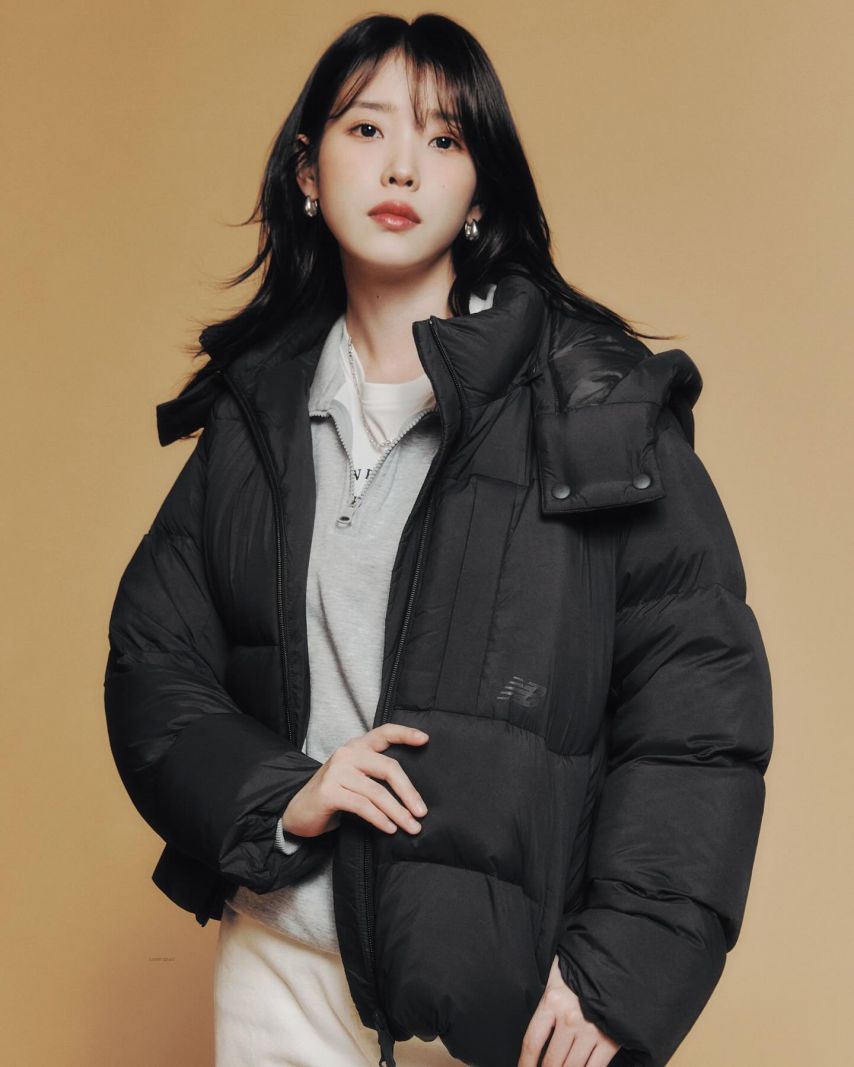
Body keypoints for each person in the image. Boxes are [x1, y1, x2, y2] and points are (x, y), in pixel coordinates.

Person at [103, 13, 774, 1067]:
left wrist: (621, 974)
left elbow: (697, 713)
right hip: (280, 968)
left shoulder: (590, 404)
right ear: (308, 173)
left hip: (494, 1001)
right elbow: (153, 666)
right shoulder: (256, 416)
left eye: (445, 138)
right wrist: (283, 793)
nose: (403, 166)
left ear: (479, 193)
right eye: (367, 129)